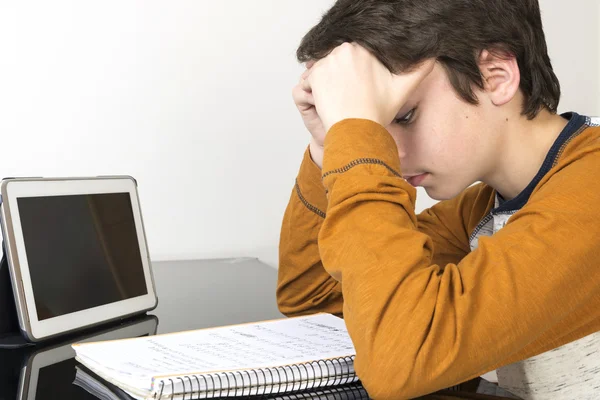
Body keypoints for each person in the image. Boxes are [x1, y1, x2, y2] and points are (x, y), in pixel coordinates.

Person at [276, 1, 600, 399]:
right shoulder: (481, 211)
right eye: (378, 123)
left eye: (405, 115)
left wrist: (360, 138)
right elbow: (318, 300)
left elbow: (404, 361)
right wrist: (331, 141)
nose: (388, 152)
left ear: (496, 76)